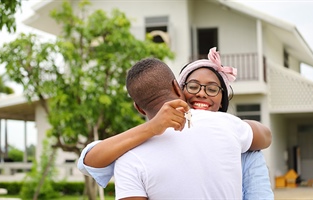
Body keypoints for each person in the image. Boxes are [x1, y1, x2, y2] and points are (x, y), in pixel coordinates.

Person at [78, 50, 272, 198]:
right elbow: (89, 159)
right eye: (193, 86)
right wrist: (152, 128)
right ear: (178, 88)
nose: (201, 94)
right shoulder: (231, 127)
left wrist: (235, 126)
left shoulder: (128, 158)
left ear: (138, 107)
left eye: (212, 89)